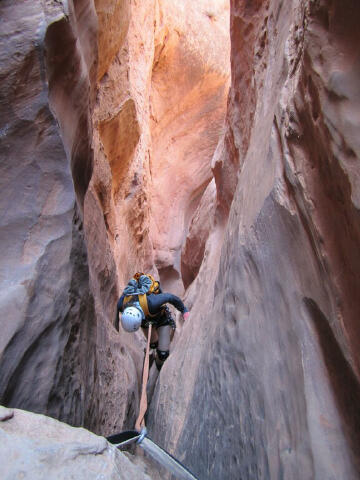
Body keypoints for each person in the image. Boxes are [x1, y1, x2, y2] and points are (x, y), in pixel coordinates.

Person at [115, 274, 189, 370]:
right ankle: (153, 351)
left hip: (161, 319)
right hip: (145, 322)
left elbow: (170, 297)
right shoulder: (122, 304)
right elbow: (124, 295)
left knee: (163, 353)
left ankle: (159, 366)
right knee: (153, 344)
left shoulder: (152, 303)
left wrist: (184, 310)